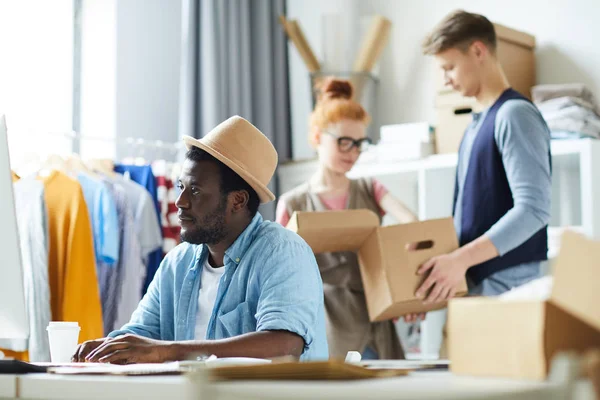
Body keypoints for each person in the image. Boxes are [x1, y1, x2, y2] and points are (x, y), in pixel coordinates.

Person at [73, 116, 328, 363]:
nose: (180, 202)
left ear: (237, 200)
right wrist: (106, 348)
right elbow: (141, 336)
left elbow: (284, 344)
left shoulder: (283, 252)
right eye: (180, 187)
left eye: (194, 190)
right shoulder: (177, 263)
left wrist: (167, 351)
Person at [276, 78, 418, 360]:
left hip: (375, 320)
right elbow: (278, 273)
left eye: (359, 144)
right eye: (344, 142)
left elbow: (411, 225)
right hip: (325, 326)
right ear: (317, 137)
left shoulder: (370, 188)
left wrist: (408, 286)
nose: (352, 153)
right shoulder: (293, 203)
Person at [416, 10, 551, 302]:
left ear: (478, 50)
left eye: (449, 67)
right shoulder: (476, 124)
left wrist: (461, 260)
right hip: (479, 285)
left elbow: (534, 209)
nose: (446, 80)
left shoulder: (514, 115)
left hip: (508, 289)